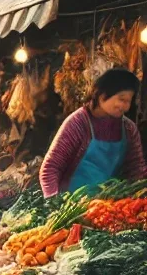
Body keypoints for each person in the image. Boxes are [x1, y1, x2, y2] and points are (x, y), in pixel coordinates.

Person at [40, 67, 147, 196]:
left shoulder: (129, 129)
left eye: (128, 101)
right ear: (102, 96)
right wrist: (54, 203)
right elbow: (50, 168)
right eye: (122, 99)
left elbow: (136, 170)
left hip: (105, 208)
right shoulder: (78, 123)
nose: (125, 106)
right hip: (70, 206)